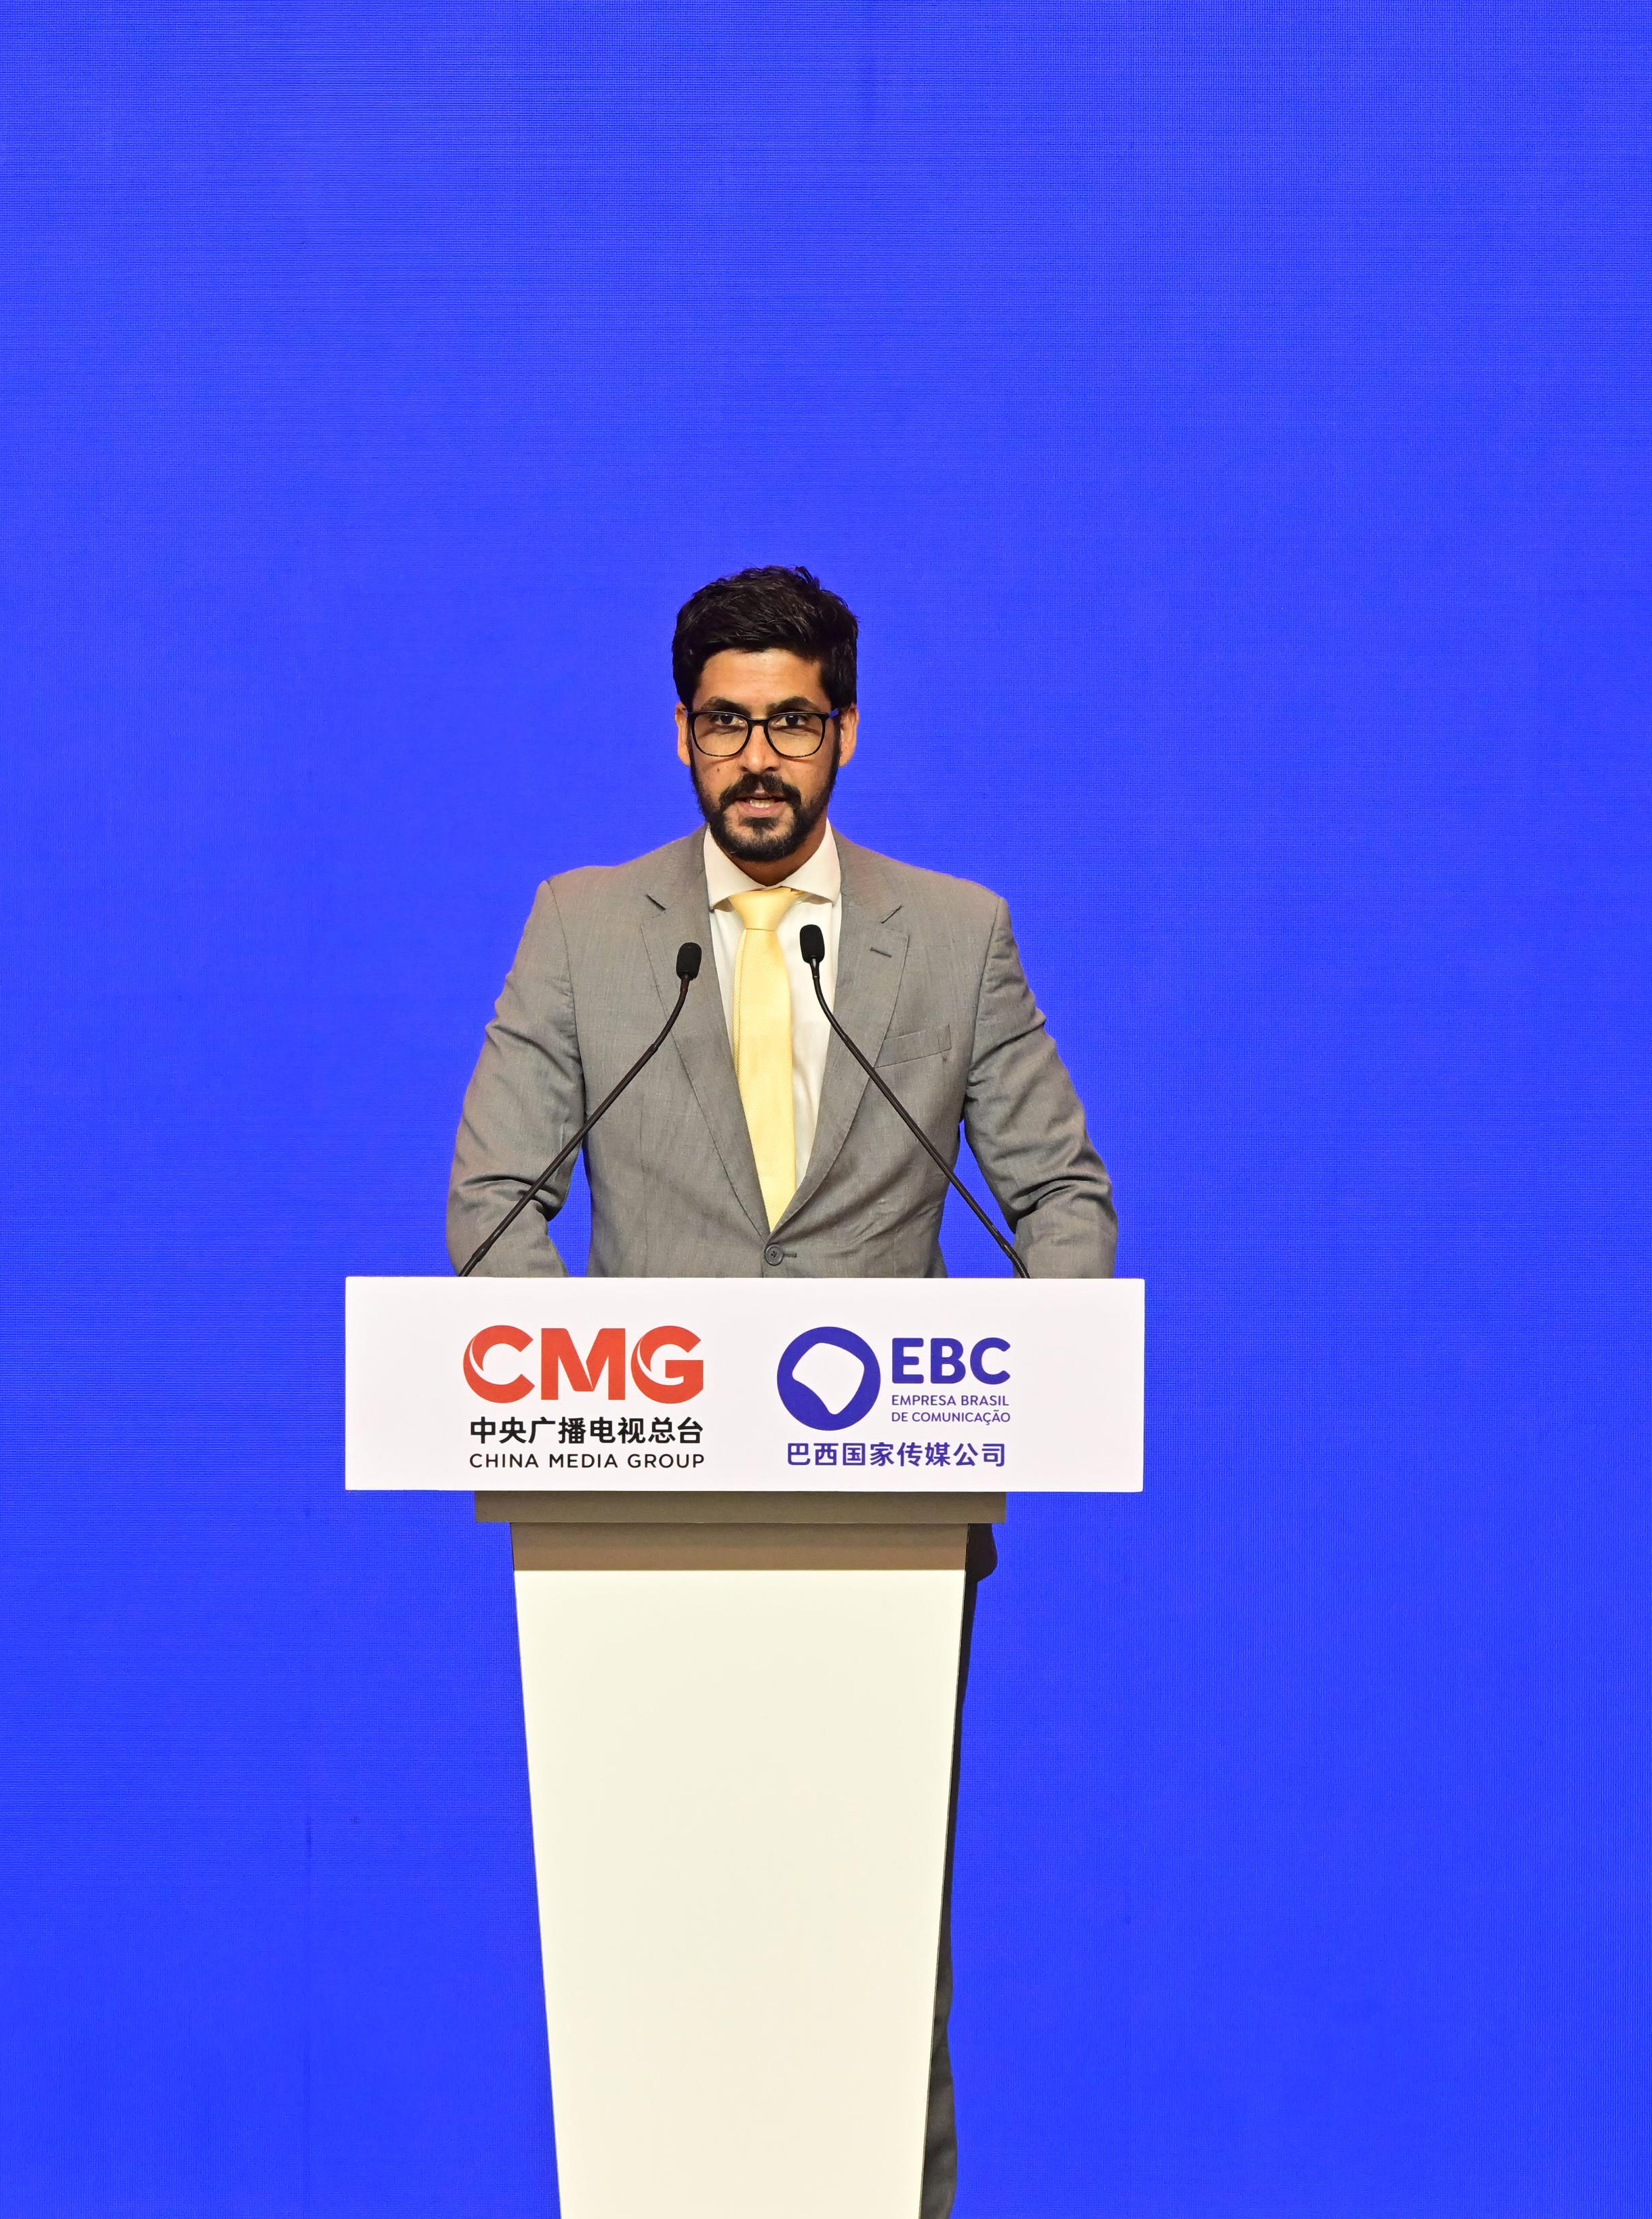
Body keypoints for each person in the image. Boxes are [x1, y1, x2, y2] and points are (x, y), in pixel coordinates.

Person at [445, 564, 1116, 2216]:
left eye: (793, 723)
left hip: (887, 1533)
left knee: (871, 1956)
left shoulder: (954, 936)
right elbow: (494, 1205)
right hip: (633, 1536)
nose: (760, 758)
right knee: (660, 1955)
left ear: (848, 733)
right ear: (680, 733)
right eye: (728, 722)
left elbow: (1060, 1195)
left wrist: (1040, 1365)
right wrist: (598, 1417)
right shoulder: (582, 928)